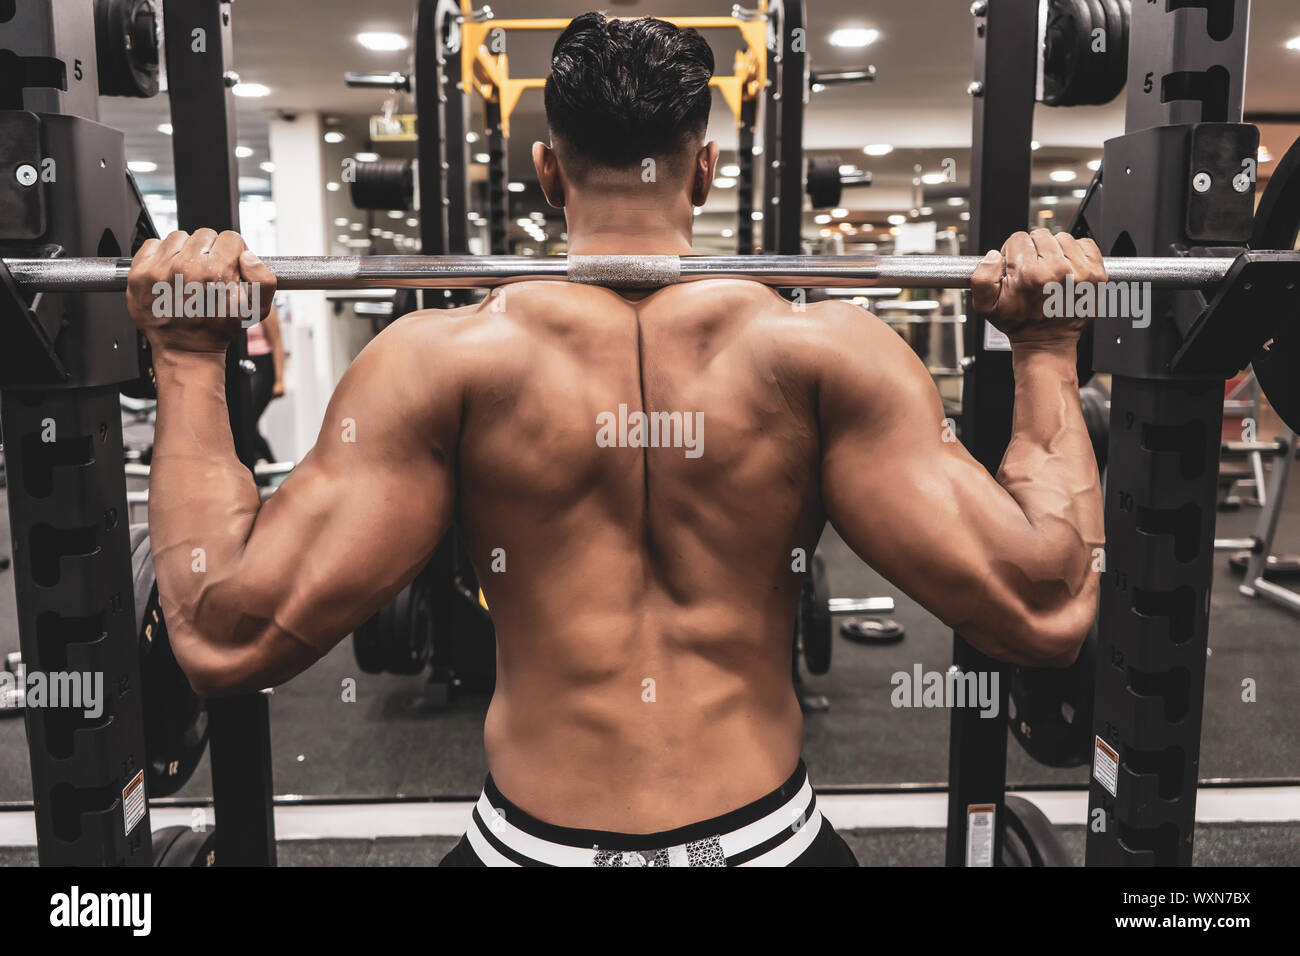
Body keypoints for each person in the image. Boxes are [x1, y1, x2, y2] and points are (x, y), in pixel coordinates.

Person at [125, 13, 1104, 867]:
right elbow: (1043, 607)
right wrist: (1049, 347)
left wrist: (186, 356)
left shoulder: (436, 360)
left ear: (547, 168)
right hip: (767, 841)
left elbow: (223, 631)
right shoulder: (834, 352)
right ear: (707, 164)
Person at [245, 302, 286, 466]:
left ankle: (273, 466)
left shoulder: (264, 307)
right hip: (245, 365)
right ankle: (256, 464)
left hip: (264, 366)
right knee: (247, 424)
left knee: (246, 421)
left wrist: (279, 380)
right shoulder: (235, 306)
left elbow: (277, 344)